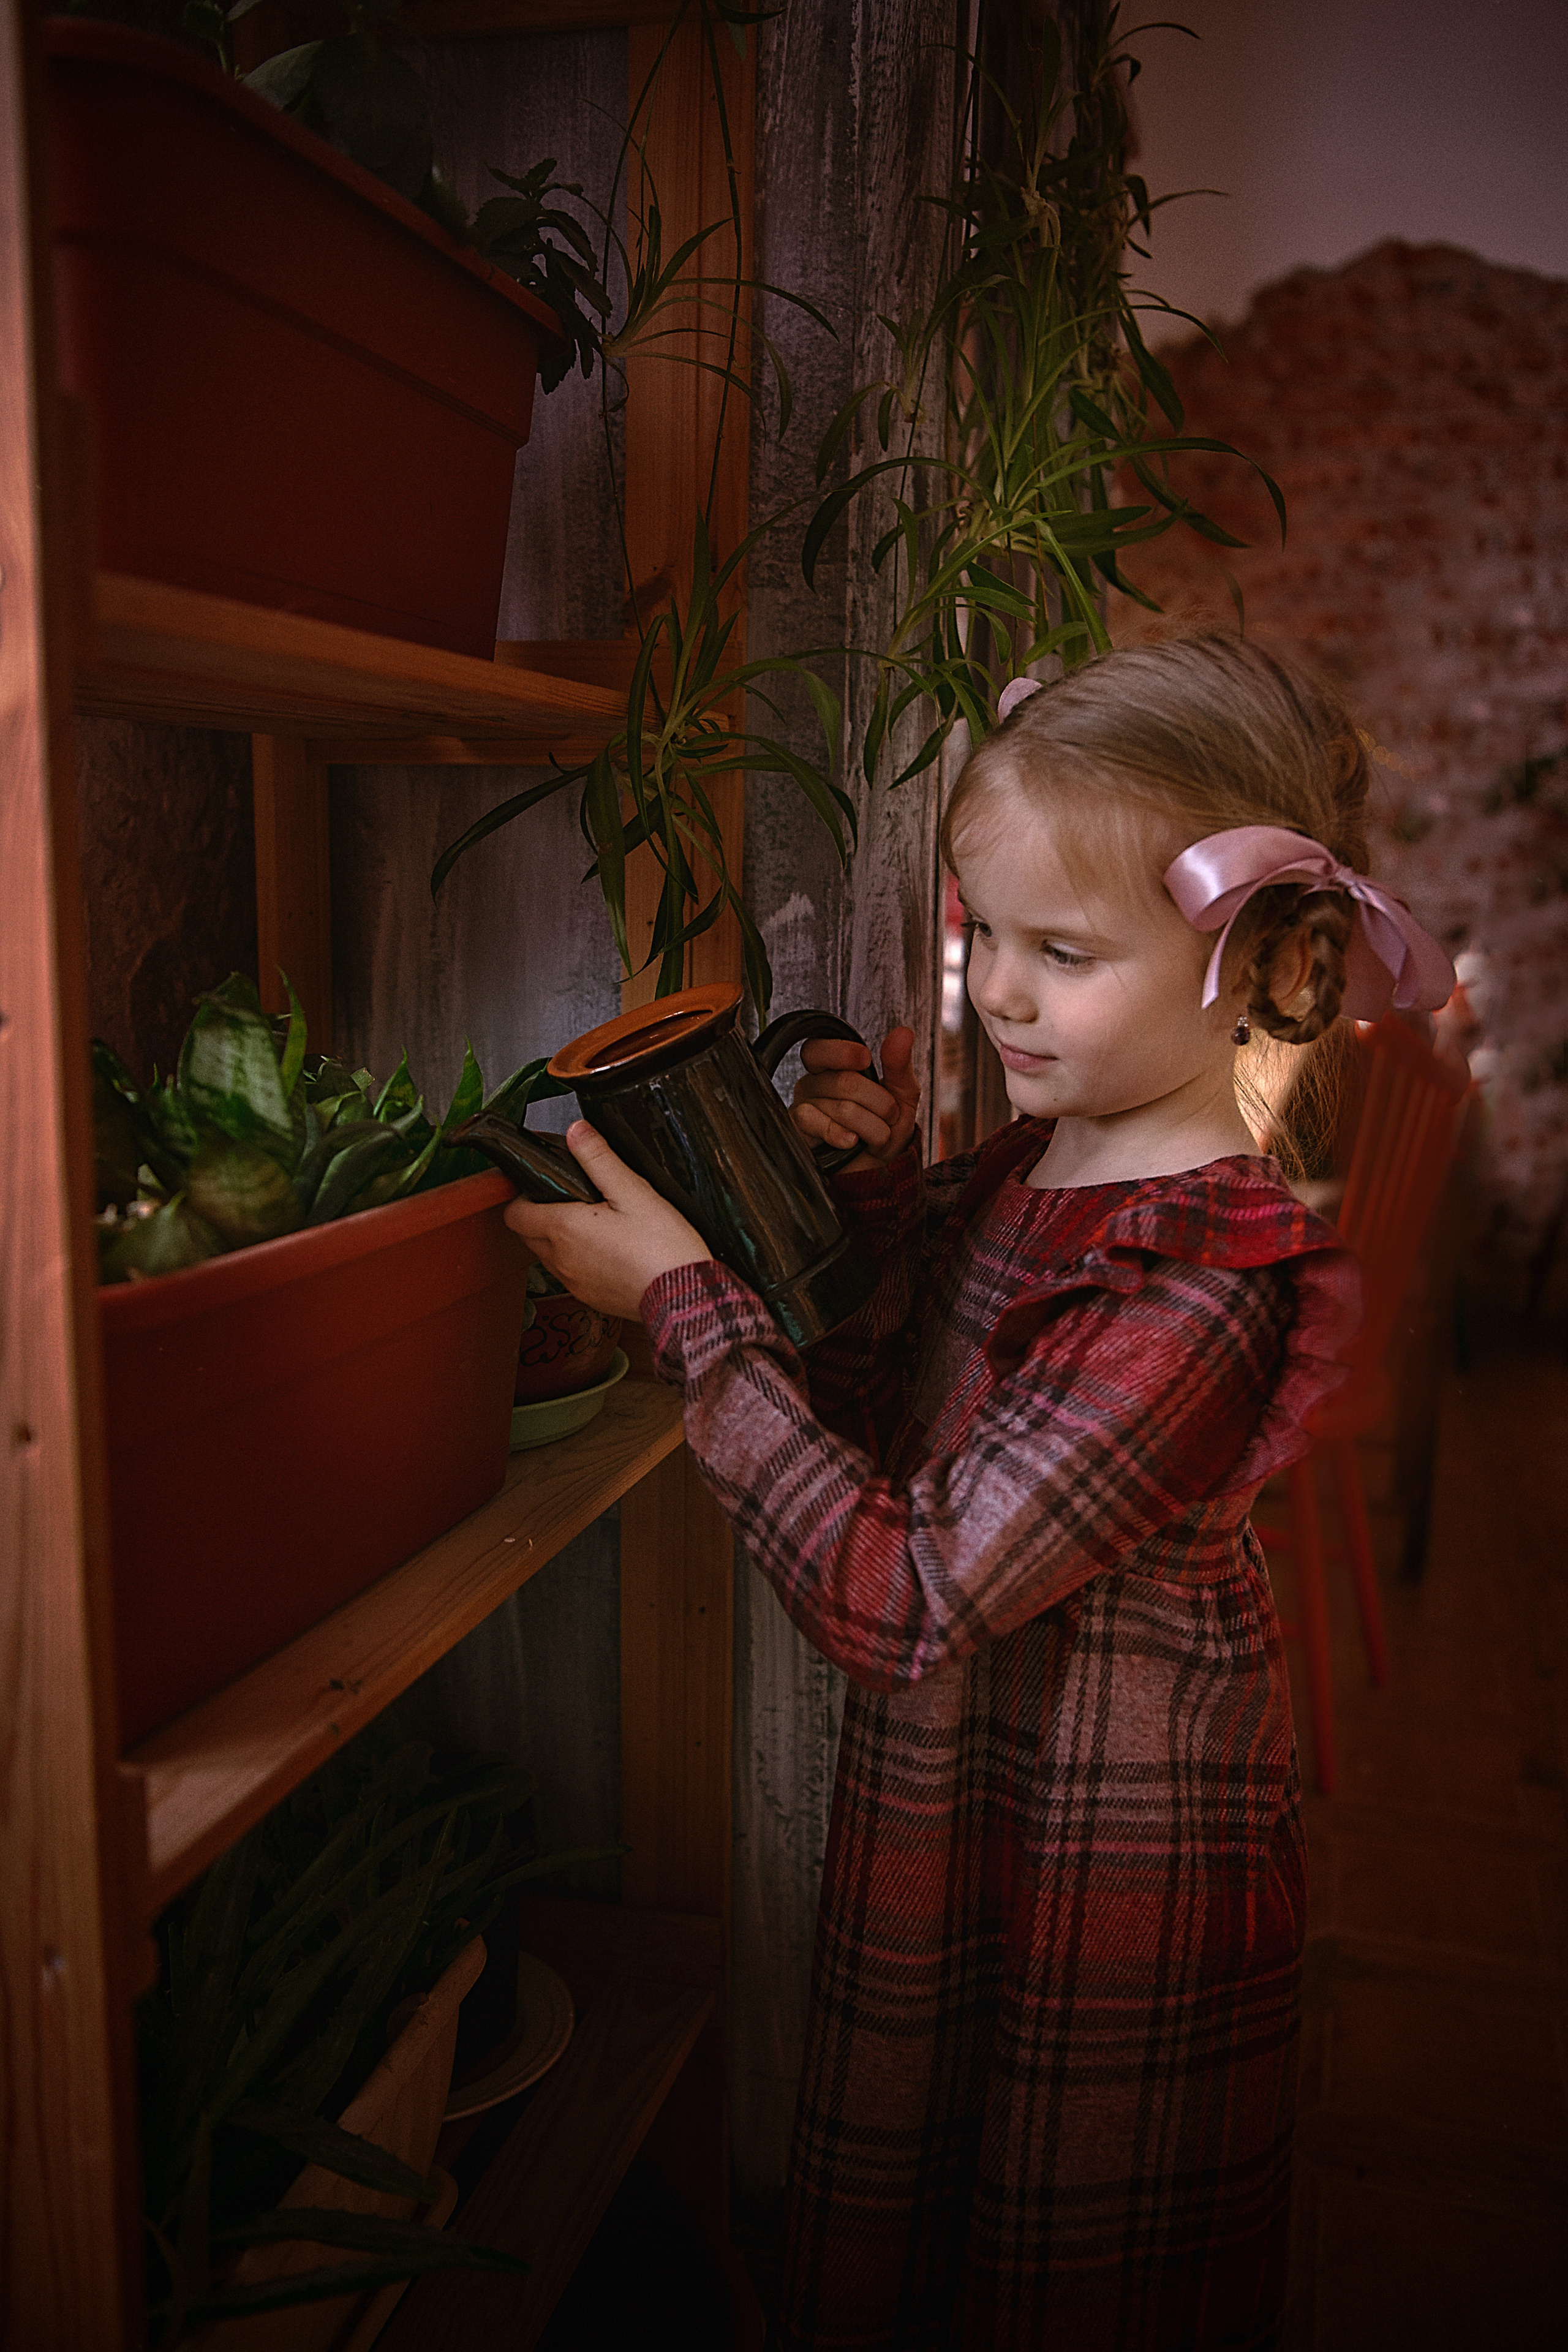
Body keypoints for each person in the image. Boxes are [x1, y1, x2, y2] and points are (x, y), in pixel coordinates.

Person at [505, 636, 1455, 2350]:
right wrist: (866, 1211)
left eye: (1064, 952)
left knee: (1064, 2255)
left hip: (1113, 1867)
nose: (999, 994)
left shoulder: (1201, 1286)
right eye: (986, 937)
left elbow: (907, 1594)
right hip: (975, 1815)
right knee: (939, 2206)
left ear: (1255, 976)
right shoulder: (1041, 1163)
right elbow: (895, 1420)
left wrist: (678, 1303)